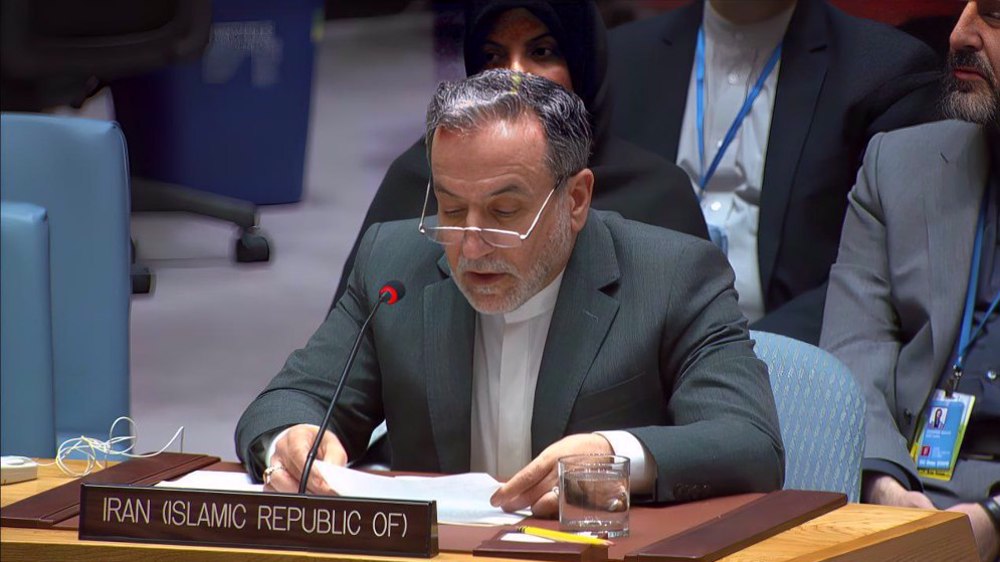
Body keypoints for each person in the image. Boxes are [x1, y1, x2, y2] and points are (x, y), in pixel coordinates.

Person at [236, 69, 784, 517]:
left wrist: (614, 454)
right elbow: (286, 403)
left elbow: (748, 440)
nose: (471, 246)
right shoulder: (395, 262)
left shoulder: (673, 275)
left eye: (503, 213)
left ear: (575, 199)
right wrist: (294, 438)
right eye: (451, 210)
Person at [607, 0, 943, 345]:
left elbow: (880, 274)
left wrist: (734, 355)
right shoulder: (618, 57)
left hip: (787, 355)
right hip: (635, 352)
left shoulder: (883, 70)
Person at [330, 0, 708, 305]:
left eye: (540, 52)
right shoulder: (421, 179)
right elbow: (340, 362)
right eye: (493, 57)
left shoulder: (658, 200)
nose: (515, 77)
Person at [820, 2, 999, 559]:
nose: (958, 34)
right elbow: (855, 346)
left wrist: (995, 519)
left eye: (993, 15)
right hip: (900, 489)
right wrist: (883, 484)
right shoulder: (897, 165)